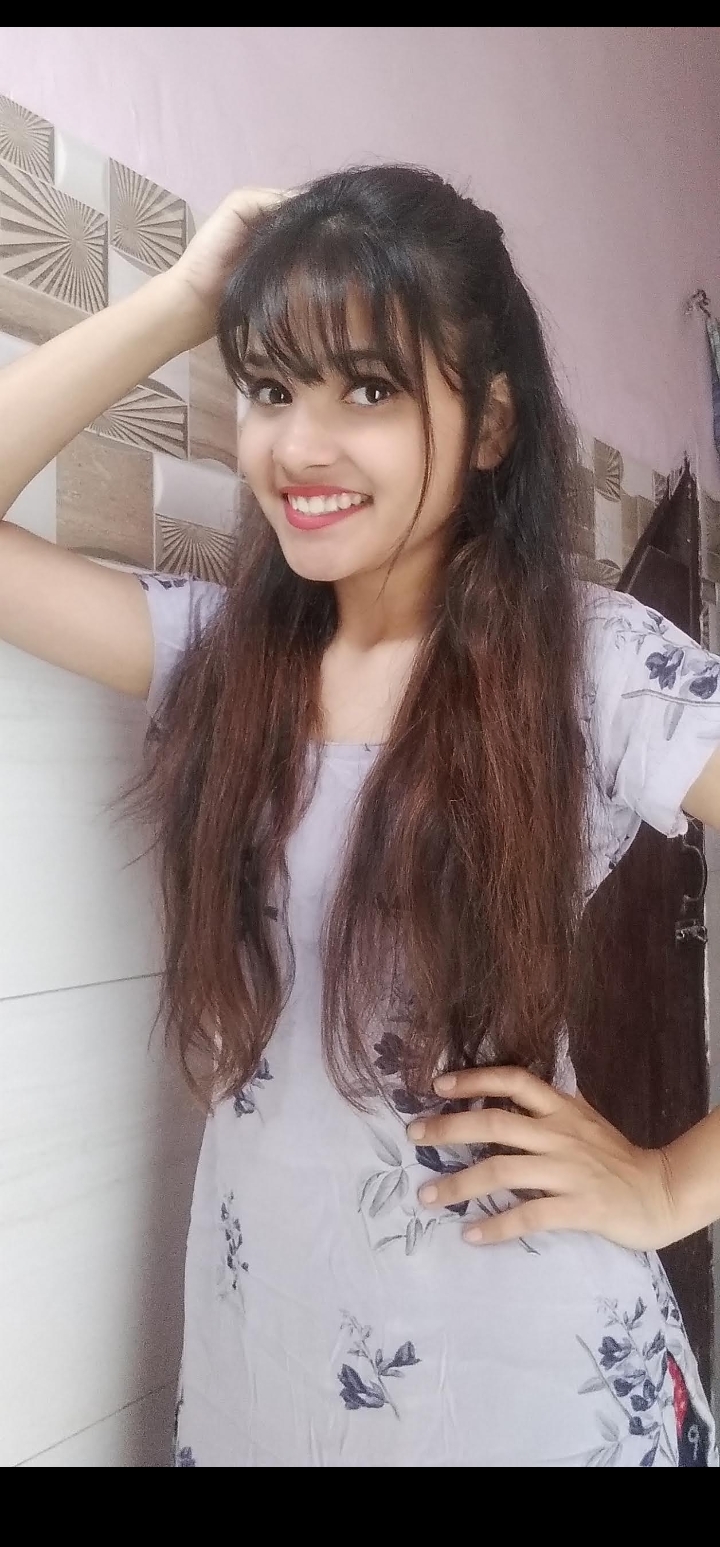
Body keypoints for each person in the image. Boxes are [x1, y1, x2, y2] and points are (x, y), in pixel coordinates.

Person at [1, 165, 719, 1469]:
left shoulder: (592, 664)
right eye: (272, 389)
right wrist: (184, 298)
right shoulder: (222, 659)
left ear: (489, 425)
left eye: (371, 390)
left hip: (523, 1375)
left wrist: (672, 1184)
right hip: (261, 1346)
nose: (299, 447)